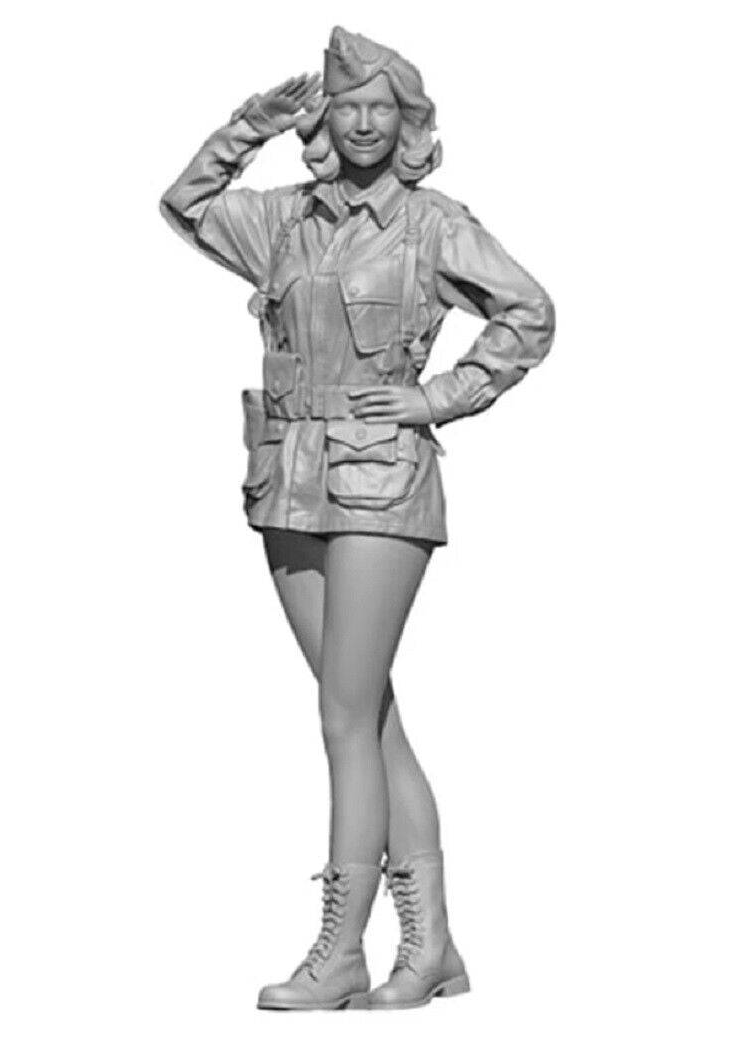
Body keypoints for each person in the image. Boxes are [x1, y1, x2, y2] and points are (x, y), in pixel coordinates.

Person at [159, 25, 555, 1010]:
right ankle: (433, 948)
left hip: (381, 479)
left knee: (342, 713)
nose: (367, 122)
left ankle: (341, 951)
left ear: (408, 121)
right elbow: (185, 204)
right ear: (326, 119)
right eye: (349, 106)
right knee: (367, 714)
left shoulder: (433, 225)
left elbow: (528, 312)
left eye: (384, 106)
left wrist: (440, 397)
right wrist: (249, 125)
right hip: (285, 480)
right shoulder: (281, 221)